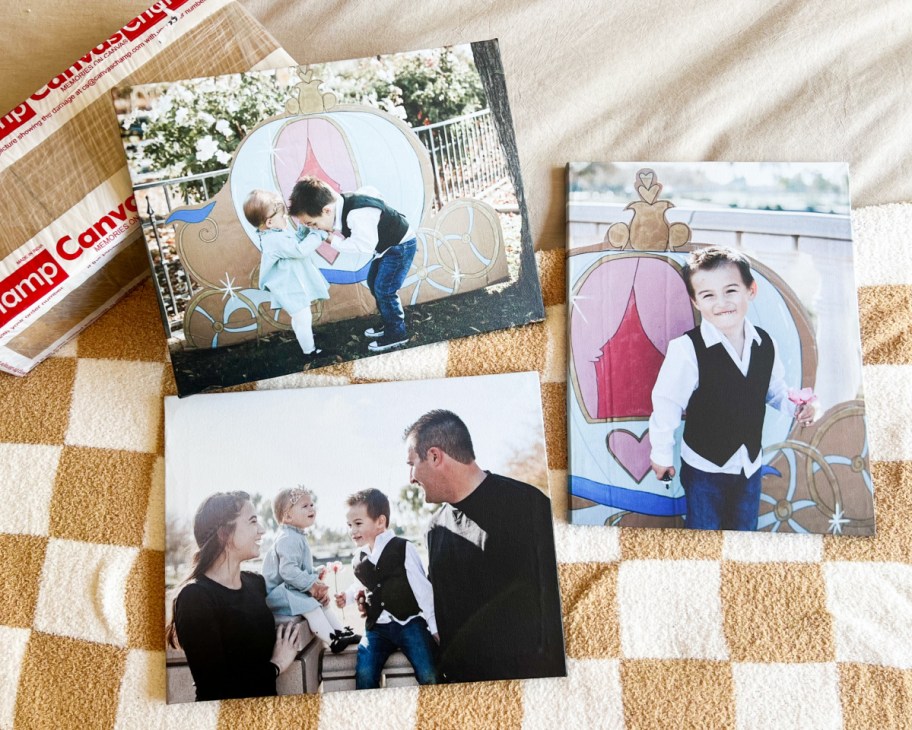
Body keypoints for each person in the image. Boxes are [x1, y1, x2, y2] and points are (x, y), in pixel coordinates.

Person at [648, 246, 815, 531]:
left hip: (749, 467)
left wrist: (796, 407)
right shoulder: (687, 349)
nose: (721, 302)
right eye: (708, 295)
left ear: (751, 290)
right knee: (704, 533)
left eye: (731, 291)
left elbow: (773, 390)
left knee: (743, 532)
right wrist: (661, 454)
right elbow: (667, 404)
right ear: (696, 301)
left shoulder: (765, 343)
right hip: (704, 469)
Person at [403, 410, 566, 683]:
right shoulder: (435, 529)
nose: (410, 477)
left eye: (412, 463)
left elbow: (556, 606)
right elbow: (438, 603)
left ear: (434, 456)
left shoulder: (528, 506)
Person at [166, 491, 301, 701]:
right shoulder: (195, 598)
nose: (262, 530)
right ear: (224, 533)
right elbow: (215, 688)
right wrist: (276, 665)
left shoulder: (256, 583)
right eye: (253, 521)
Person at [288, 176, 417, 353]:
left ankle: (397, 333)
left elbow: (364, 246)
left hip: (400, 246)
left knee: (384, 289)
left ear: (326, 210)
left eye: (313, 224)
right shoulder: (343, 203)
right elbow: (371, 191)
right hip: (386, 247)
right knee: (374, 283)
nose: (315, 229)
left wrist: (331, 239)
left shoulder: (357, 214)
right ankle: (389, 321)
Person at [335, 488, 438, 689]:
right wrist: (346, 597)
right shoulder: (358, 557)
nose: (352, 531)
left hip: (409, 623)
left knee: (428, 672)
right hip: (377, 628)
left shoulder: (403, 548)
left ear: (380, 522)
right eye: (349, 525)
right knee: (365, 672)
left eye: (358, 523)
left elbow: (423, 590)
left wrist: (434, 627)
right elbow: (364, 583)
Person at [261, 488, 361, 654]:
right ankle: (333, 640)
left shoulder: (296, 536)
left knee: (322, 602)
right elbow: (287, 571)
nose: (311, 508)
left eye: (312, 504)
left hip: (289, 588)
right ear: (288, 516)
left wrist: (315, 572)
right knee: (311, 606)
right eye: (305, 506)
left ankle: (339, 631)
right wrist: (311, 584)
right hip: (278, 593)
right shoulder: (288, 538)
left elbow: (298, 569)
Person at [242, 188, 330, 358]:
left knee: (301, 317)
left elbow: (294, 242)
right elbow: (299, 250)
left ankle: (305, 337)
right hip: (289, 287)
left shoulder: (274, 234)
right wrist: (318, 235)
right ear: (269, 222)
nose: (285, 219)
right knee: (302, 317)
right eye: (282, 217)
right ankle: (310, 351)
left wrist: (303, 231)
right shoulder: (274, 240)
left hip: (291, 284)